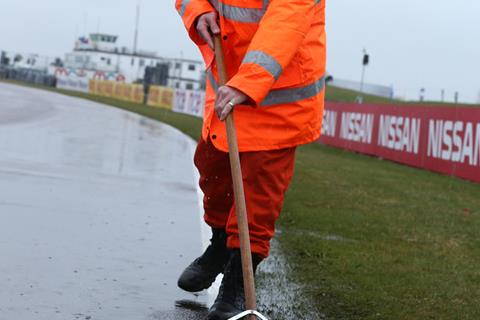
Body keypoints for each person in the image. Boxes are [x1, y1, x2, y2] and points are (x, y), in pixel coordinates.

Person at [175, 1, 326, 319]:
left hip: (280, 93)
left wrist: (250, 81)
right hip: (228, 82)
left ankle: (238, 278)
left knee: (259, 192)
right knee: (212, 167)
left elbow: (286, 21)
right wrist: (197, 11)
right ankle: (219, 245)